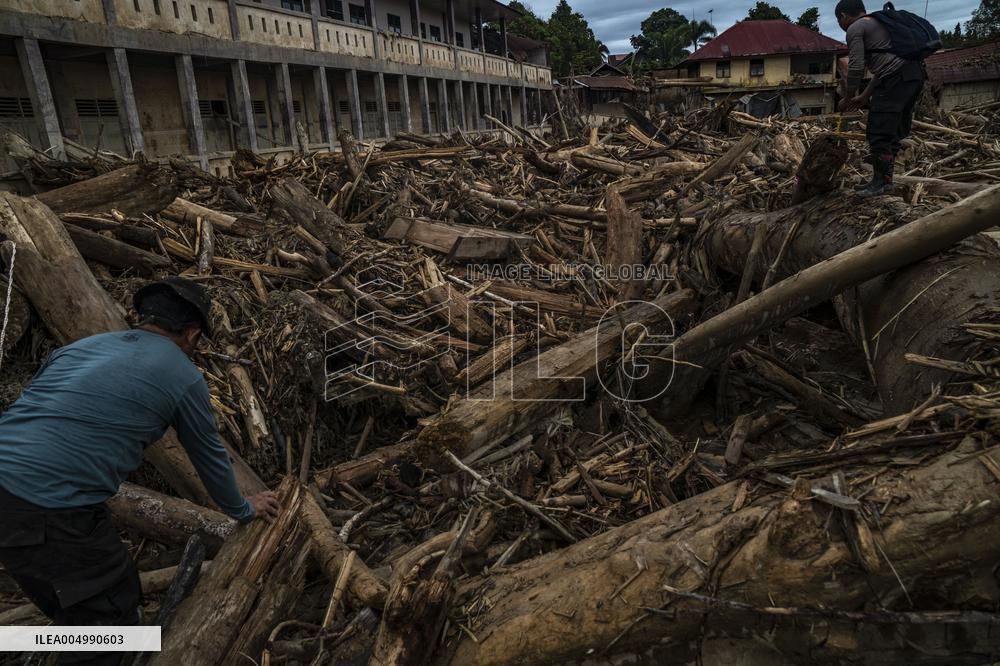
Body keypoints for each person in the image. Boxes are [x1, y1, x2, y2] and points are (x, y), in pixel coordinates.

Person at [0, 277, 280, 664]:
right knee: (112, 621)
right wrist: (244, 508)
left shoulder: (80, 348)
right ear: (193, 334)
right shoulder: (184, 376)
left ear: (141, 318)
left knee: (79, 605)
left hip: (12, 488)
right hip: (50, 507)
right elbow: (210, 457)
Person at [836, 0, 926, 197]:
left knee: (879, 131)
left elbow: (857, 67)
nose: (841, 25)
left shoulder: (856, 28)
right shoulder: (879, 24)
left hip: (896, 80)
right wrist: (865, 95)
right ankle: (884, 180)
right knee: (891, 131)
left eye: (839, 21)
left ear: (843, 16)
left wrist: (848, 97)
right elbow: (883, 68)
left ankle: (882, 183)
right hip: (913, 76)